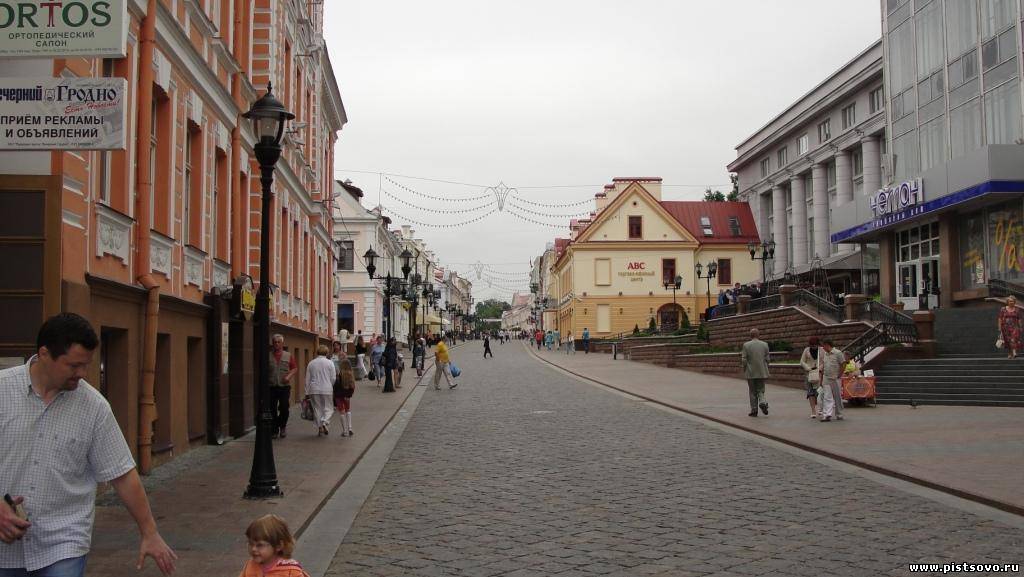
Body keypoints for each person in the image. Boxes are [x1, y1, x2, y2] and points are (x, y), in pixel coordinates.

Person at [0, 313, 177, 576]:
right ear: (45, 354)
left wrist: (149, 532)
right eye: (74, 365)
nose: (82, 374)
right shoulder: (3, 390)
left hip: (63, 543)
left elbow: (122, 473)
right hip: (4, 550)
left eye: (86, 365)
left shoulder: (94, 407)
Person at [238, 514, 308, 577]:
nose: (253, 549)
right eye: (250, 543)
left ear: (278, 546)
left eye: (259, 545)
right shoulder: (251, 565)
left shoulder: (291, 571)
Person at [305, 345, 337, 436]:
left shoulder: (311, 363)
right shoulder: (330, 363)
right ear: (327, 353)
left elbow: (307, 379)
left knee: (317, 409)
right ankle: (325, 422)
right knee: (329, 408)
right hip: (327, 388)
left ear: (317, 352)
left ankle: (320, 428)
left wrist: (306, 391)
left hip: (314, 389)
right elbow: (333, 378)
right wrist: (330, 385)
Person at [270, 334, 297, 439]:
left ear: (282, 343)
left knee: (284, 407)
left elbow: (294, 368)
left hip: (284, 386)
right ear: (272, 343)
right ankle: (274, 429)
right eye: (275, 342)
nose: (276, 344)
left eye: (278, 342)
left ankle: (283, 427)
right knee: (272, 409)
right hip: (271, 386)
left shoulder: (288, 355)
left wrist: (288, 376)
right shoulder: (268, 355)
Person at [740, 328, 770, 417]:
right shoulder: (765, 344)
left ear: (750, 335)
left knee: (752, 391)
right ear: (758, 335)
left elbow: (744, 359)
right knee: (761, 389)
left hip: (750, 372)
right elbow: (768, 359)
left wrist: (744, 368)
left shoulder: (746, 345)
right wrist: (765, 366)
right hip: (761, 371)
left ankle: (754, 410)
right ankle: (762, 402)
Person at [817, 339, 846, 422]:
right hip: (826, 377)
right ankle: (827, 415)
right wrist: (821, 379)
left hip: (835, 378)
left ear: (827, 345)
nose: (823, 348)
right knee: (827, 396)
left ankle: (839, 413)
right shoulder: (825, 354)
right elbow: (824, 365)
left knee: (837, 396)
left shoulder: (838, 353)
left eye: (823, 346)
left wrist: (840, 374)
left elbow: (843, 364)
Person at [333, 355, 355, 437]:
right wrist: (348, 395)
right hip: (347, 396)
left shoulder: (339, 375)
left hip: (338, 396)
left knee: (341, 411)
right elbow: (352, 387)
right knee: (348, 410)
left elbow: (336, 386)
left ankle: (345, 431)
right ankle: (350, 428)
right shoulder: (351, 375)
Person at [799, 337, 821, 419]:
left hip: (819, 374)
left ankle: (821, 408)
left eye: (815, 345)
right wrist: (807, 368)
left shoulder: (821, 350)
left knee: (820, 392)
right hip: (809, 375)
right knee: (811, 393)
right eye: (812, 345)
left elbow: (824, 360)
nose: (813, 347)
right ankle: (813, 411)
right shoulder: (806, 350)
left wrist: (820, 368)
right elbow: (802, 361)